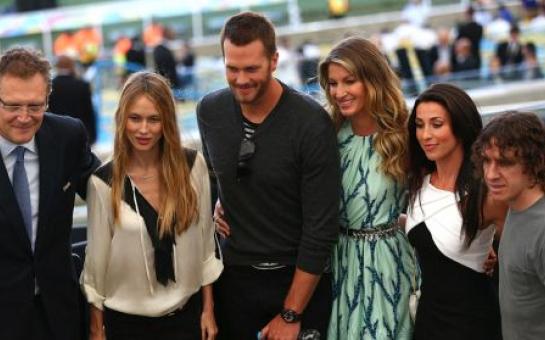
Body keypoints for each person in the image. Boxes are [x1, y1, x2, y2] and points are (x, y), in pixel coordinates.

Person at [197, 12, 340, 340]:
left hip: (297, 281)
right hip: (234, 281)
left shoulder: (310, 123)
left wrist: (291, 313)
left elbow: (321, 228)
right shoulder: (210, 111)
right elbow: (215, 176)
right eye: (232, 68)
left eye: (252, 69)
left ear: (274, 61)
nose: (241, 79)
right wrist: (220, 201)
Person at [81, 72, 222, 340]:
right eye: (135, 118)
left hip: (186, 319)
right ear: (122, 119)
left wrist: (208, 309)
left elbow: (206, 245)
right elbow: (96, 264)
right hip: (127, 325)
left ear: (166, 121)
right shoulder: (103, 182)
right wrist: (96, 329)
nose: (143, 129)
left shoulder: (192, 167)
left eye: (154, 119)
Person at [318, 36, 415, 340]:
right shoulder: (326, 133)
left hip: (390, 262)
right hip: (339, 262)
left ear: (372, 79)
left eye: (349, 81)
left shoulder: (405, 132)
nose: (339, 92)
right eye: (333, 83)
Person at [0, 47, 99, 340]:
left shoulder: (67, 137)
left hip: (59, 312)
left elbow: (108, 191)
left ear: (48, 98)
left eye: (35, 106)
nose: (24, 117)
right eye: (12, 106)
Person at [405, 83, 505, 340]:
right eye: (419, 124)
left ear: (460, 126)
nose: (425, 134)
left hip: (474, 324)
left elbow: (527, 246)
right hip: (428, 321)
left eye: (437, 124)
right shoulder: (419, 181)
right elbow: (424, 228)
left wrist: (497, 254)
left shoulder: (485, 192)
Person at [472, 111, 545, 340]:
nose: (491, 174)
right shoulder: (514, 206)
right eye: (486, 161)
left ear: (536, 161)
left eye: (505, 162)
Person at [48, 55, 98, 145]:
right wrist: (93, 136)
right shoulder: (83, 85)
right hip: (80, 134)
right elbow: (89, 112)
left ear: (57, 66)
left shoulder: (50, 86)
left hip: (57, 135)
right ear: (72, 66)